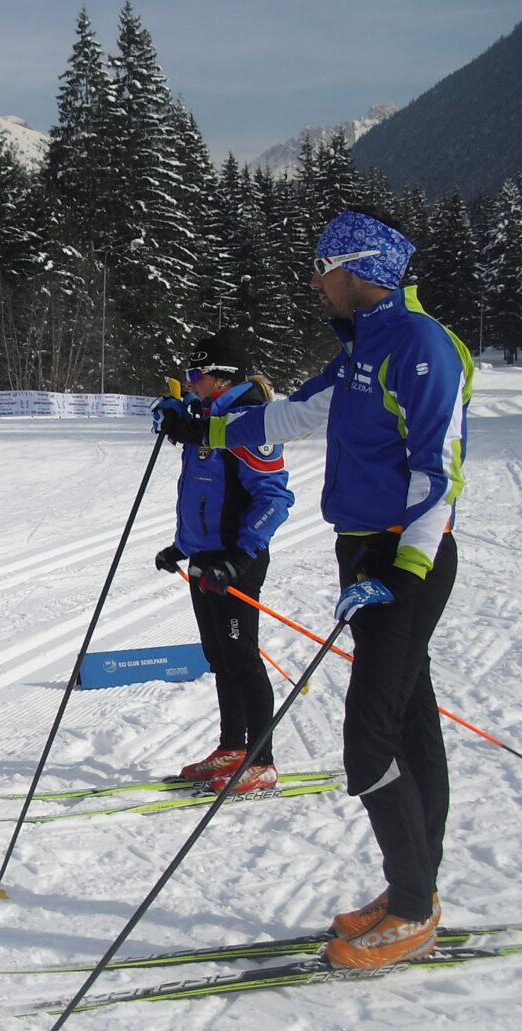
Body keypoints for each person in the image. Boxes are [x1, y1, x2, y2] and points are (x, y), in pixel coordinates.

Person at [156, 206, 472, 970]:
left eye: (323, 268)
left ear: (362, 270)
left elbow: (441, 474)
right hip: (365, 554)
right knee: (412, 720)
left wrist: (401, 571)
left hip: (407, 558)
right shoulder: (364, 344)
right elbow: (292, 416)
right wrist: (205, 431)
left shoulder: (422, 347)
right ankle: (415, 891)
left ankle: (409, 907)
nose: (314, 282)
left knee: (369, 739)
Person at [154, 329, 293, 794]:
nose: (190, 381)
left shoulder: (250, 423)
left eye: (196, 373)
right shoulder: (206, 419)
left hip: (238, 559)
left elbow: (275, 498)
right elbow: (201, 494)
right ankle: (233, 747)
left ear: (221, 376)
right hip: (204, 558)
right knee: (218, 657)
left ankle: (262, 760)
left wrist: (239, 556)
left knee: (242, 658)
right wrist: (181, 545)